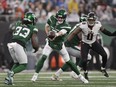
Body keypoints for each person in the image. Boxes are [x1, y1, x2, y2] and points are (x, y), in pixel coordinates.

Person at [31, 9, 88, 84]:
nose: (60, 19)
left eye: (61, 18)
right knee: (44, 57)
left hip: (59, 45)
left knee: (69, 62)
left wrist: (55, 35)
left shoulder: (67, 26)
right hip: (50, 43)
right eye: (59, 17)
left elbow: (61, 32)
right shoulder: (52, 18)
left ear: (64, 18)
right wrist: (48, 34)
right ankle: (35, 75)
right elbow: (46, 26)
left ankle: (81, 77)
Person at [67, 12, 116, 79]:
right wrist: (67, 41)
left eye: (92, 20)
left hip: (93, 43)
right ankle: (85, 72)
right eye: (89, 19)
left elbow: (106, 32)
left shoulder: (98, 24)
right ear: (87, 19)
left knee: (104, 55)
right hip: (85, 43)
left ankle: (103, 68)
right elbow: (73, 33)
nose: (91, 21)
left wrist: (113, 33)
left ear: (95, 20)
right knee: (84, 60)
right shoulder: (83, 25)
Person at [50, 15, 91, 80]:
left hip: (67, 45)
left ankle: (55, 75)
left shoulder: (78, 25)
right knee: (87, 56)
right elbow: (80, 36)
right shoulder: (81, 26)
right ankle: (74, 73)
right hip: (70, 46)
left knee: (70, 62)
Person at [4, 12, 39, 85]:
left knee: (17, 63)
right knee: (23, 65)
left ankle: (8, 78)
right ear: (31, 20)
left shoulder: (18, 23)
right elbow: (34, 40)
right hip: (19, 45)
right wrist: (36, 48)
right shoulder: (33, 28)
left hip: (11, 44)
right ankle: (11, 73)